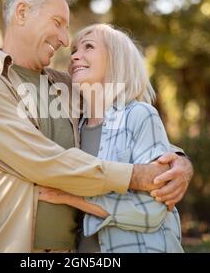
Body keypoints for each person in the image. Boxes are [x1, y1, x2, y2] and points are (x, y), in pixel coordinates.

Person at [0, 0, 193, 253]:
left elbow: (124, 119)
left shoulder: (66, 86)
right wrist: (136, 176)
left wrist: (179, 163)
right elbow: (40, 160)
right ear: (22, 12)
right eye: (58, 23)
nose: (66, 41)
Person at [38, 23, 184, 252]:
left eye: (88, 47)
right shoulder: (74, 128)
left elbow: (153, 209)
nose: (75, 56)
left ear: (116, 59)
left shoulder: (139, 115)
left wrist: (72, 198)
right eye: (74, 50)